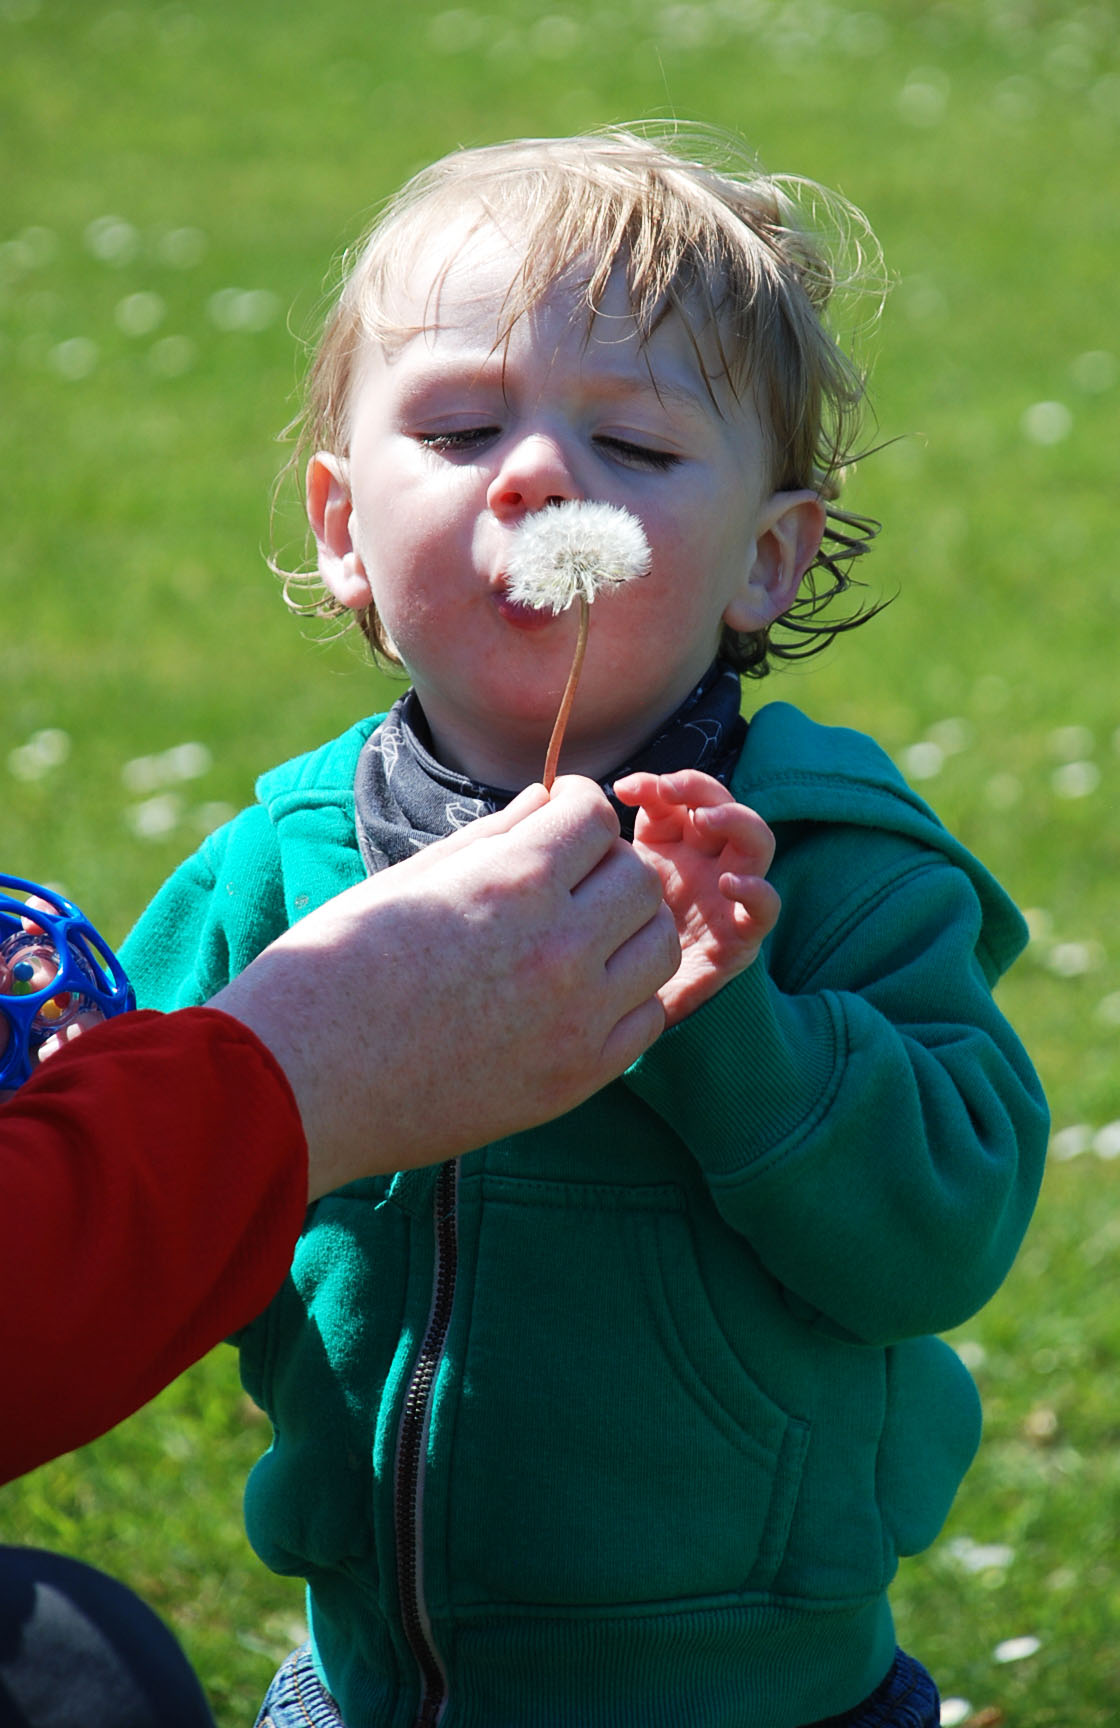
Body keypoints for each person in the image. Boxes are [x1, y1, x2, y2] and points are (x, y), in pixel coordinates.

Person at [121, 127, 1049, 1728]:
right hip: (372, 1684)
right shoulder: (277, 867)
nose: (540, 475)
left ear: (768, 557)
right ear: (344, 529)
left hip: (768, 1695)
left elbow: (943, 1238)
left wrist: (739, 1025)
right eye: (465, 425)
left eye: (634, 446)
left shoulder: (831, 866)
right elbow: (120, 1182)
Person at [1, 780, 676, 1725]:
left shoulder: (826, 847)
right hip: (358, 1680)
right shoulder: (279, 847)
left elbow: (926, 1253)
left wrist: (734, 1024)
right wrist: (285, 1085)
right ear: (356, 614)